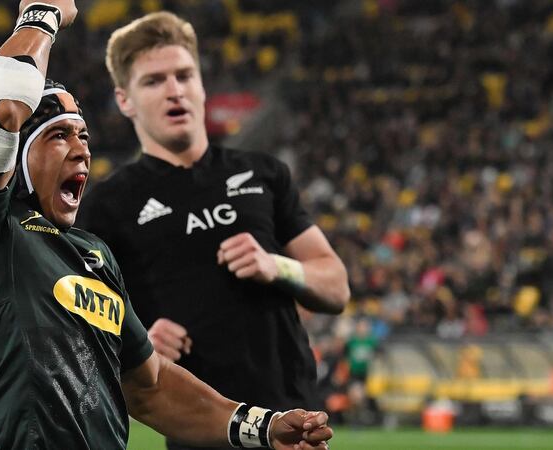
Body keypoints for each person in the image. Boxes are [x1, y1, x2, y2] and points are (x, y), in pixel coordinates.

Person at [0, 1, 333, 449]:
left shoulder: (93, 255)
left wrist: (262, 428)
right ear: (15, 155)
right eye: (58, 135)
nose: (81, 150)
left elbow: (149, 387)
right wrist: (41, 15)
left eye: (84, 136)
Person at [77, 12, 350, 450]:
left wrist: (276, 265)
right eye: (154, 81)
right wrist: (136, 341)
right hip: (199, 429)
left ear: (202, 85)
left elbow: (336, 287)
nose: (174, 90)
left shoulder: (263, 173)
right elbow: (82, 330)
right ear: (124, 100)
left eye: (185, 75)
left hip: (294, 423)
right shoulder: (108, 206)